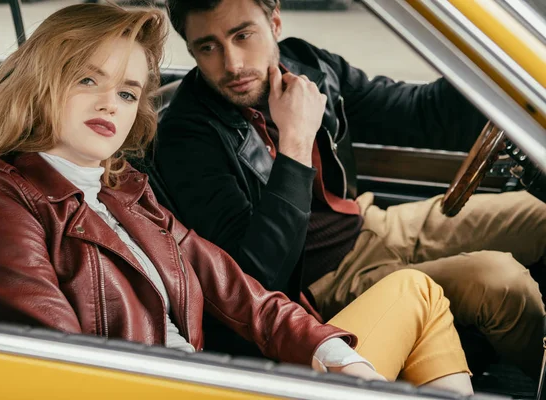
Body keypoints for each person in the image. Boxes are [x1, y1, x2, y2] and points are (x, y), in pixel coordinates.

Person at [0, 3, 474, 394]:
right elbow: (63, 372)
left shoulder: (121, 187)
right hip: (194, 385)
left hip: (214, 375)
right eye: (87, 79)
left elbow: (240, 290)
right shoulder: (2, 200)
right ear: (44, 81)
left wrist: (328, 350)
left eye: (128, 92)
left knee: (417, 294)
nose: (109, 104)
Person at [155, 0, 546, 379]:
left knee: (538, 215)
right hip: (320, 281)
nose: (233, 64)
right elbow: (255, 277)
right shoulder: (187, 136)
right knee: (500, 281)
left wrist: (501, 74)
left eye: (243, 35)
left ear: (274, 22)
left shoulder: (309, 65)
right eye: (208, 47)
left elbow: (418, 113)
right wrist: (294, 140)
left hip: (369, 223)